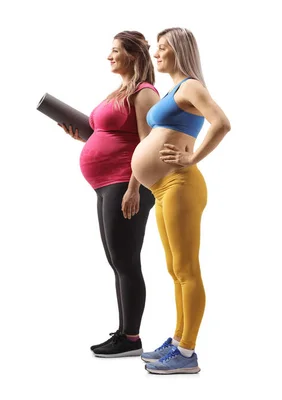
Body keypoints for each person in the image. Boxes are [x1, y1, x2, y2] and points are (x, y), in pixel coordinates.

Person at [131, 27, 231, 374]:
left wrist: (193, 157)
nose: (156, 54)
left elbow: (222, 123)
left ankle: (187, 353)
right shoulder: (173, 90)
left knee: (187, 270)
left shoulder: (190, 85)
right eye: (156, 48)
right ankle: (177, 340)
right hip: (163, 188)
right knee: (175, 270)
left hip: (181, 184)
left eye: (163, 48)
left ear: (180, 51)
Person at [59, 31, 160, 357]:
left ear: (132, 55)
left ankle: (131, 338)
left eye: (115, 51)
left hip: (125, 184)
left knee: (126, 262)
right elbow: (111, 134)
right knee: (117, 261)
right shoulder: (120, 90)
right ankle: (123, 331)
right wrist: (84, 139)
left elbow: (148, 146)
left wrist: (134, 188)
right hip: (106, 184)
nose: (109, 56)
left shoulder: (145, 93)